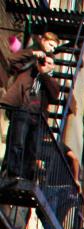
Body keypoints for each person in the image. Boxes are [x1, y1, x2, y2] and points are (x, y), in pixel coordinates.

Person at [0, 31, 59, 184]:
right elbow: (12, 59)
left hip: (38, 115)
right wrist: (33, 53)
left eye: (54, 47)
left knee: (32, 149)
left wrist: (44, 73)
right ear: (43, 41)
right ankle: (11, 174)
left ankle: (25, 178)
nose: (51, 49)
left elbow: (55, 95)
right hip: (22, 107)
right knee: (17, 143)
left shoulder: (49, 68)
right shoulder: (31, 58)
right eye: (50, 45)